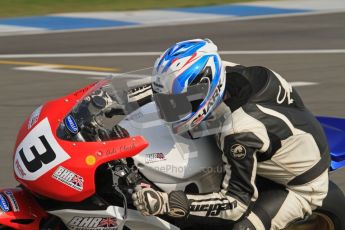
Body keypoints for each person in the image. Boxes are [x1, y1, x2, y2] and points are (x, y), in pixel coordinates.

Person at [132, 39, 330, 230]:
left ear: (203, 93)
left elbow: (236, 205)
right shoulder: (223, 72)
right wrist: (112, 99)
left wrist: (167, 203)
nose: (170, 111)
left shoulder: (239, 131)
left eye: (179, 103)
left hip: (300, 185)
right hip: (287, 138)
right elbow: (169, 88)